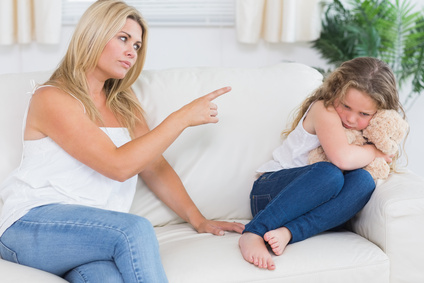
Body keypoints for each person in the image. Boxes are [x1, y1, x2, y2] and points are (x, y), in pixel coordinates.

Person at [0, 1, 244, 282]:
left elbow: (153, 166)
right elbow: (117, 166)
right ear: (94, 34)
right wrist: (181, 118)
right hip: (30, 227)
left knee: (106, 278)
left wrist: (198, 219)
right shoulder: (53, 98)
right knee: (135, 229)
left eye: (137, 46)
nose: (132, 51)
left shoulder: (124, 105)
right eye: (123, 38)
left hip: (91, 233)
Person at [238, 57, 407, 270]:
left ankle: (289, 232)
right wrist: (374, 151)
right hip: (270, 196)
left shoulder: (372, 129)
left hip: (311, 206)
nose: (351, 119)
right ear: (335, 92)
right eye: (346, 106)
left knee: (364, 181)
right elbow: (342, 158)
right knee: (331, 174)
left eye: (364, 114)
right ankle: (254, 232)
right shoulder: (323, 109)